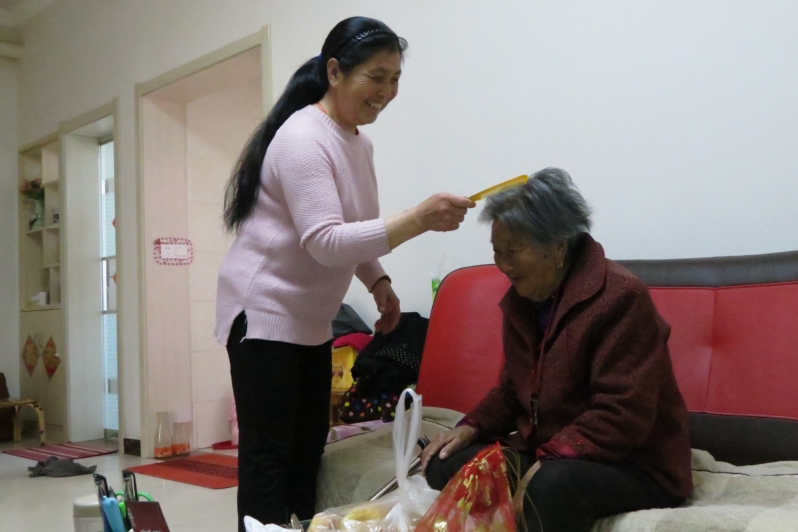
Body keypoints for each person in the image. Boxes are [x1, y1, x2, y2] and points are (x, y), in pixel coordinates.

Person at [214, 16, 475, 530]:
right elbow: (326, 241)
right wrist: (419, 219)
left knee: (307, 450)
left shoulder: (358, 144)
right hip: (263, 315)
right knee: (269, 457)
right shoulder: (302, 137)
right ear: (334, 72)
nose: (387, 92)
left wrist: (378, 283)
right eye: (376, 77)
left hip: (309, 322)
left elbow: (352, 229)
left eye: (395, 79)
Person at [420, 168, 692, 532]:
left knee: (550, 488)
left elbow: (622, 414)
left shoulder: (621, 298)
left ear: (558, 246)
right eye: (497, 251)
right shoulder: (524, 299)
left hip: (633, 461)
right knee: (446, 464)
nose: (504, 266)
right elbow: (512, 392)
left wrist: (549, 460)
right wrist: (470, 427)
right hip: (551, 452)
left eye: (514, 251)